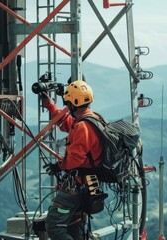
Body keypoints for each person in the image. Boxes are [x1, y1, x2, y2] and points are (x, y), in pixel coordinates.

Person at [41, 80, 103, 240]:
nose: (67, 107)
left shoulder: (83, 126)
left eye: (68, 103)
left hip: (76, 185)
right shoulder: (93, 119)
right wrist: (50, 106)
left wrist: (58, 166)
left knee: (54, 226)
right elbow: (68, 123)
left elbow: (75, 159)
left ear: (73, 104)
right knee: (75, 227)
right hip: (88, 184)